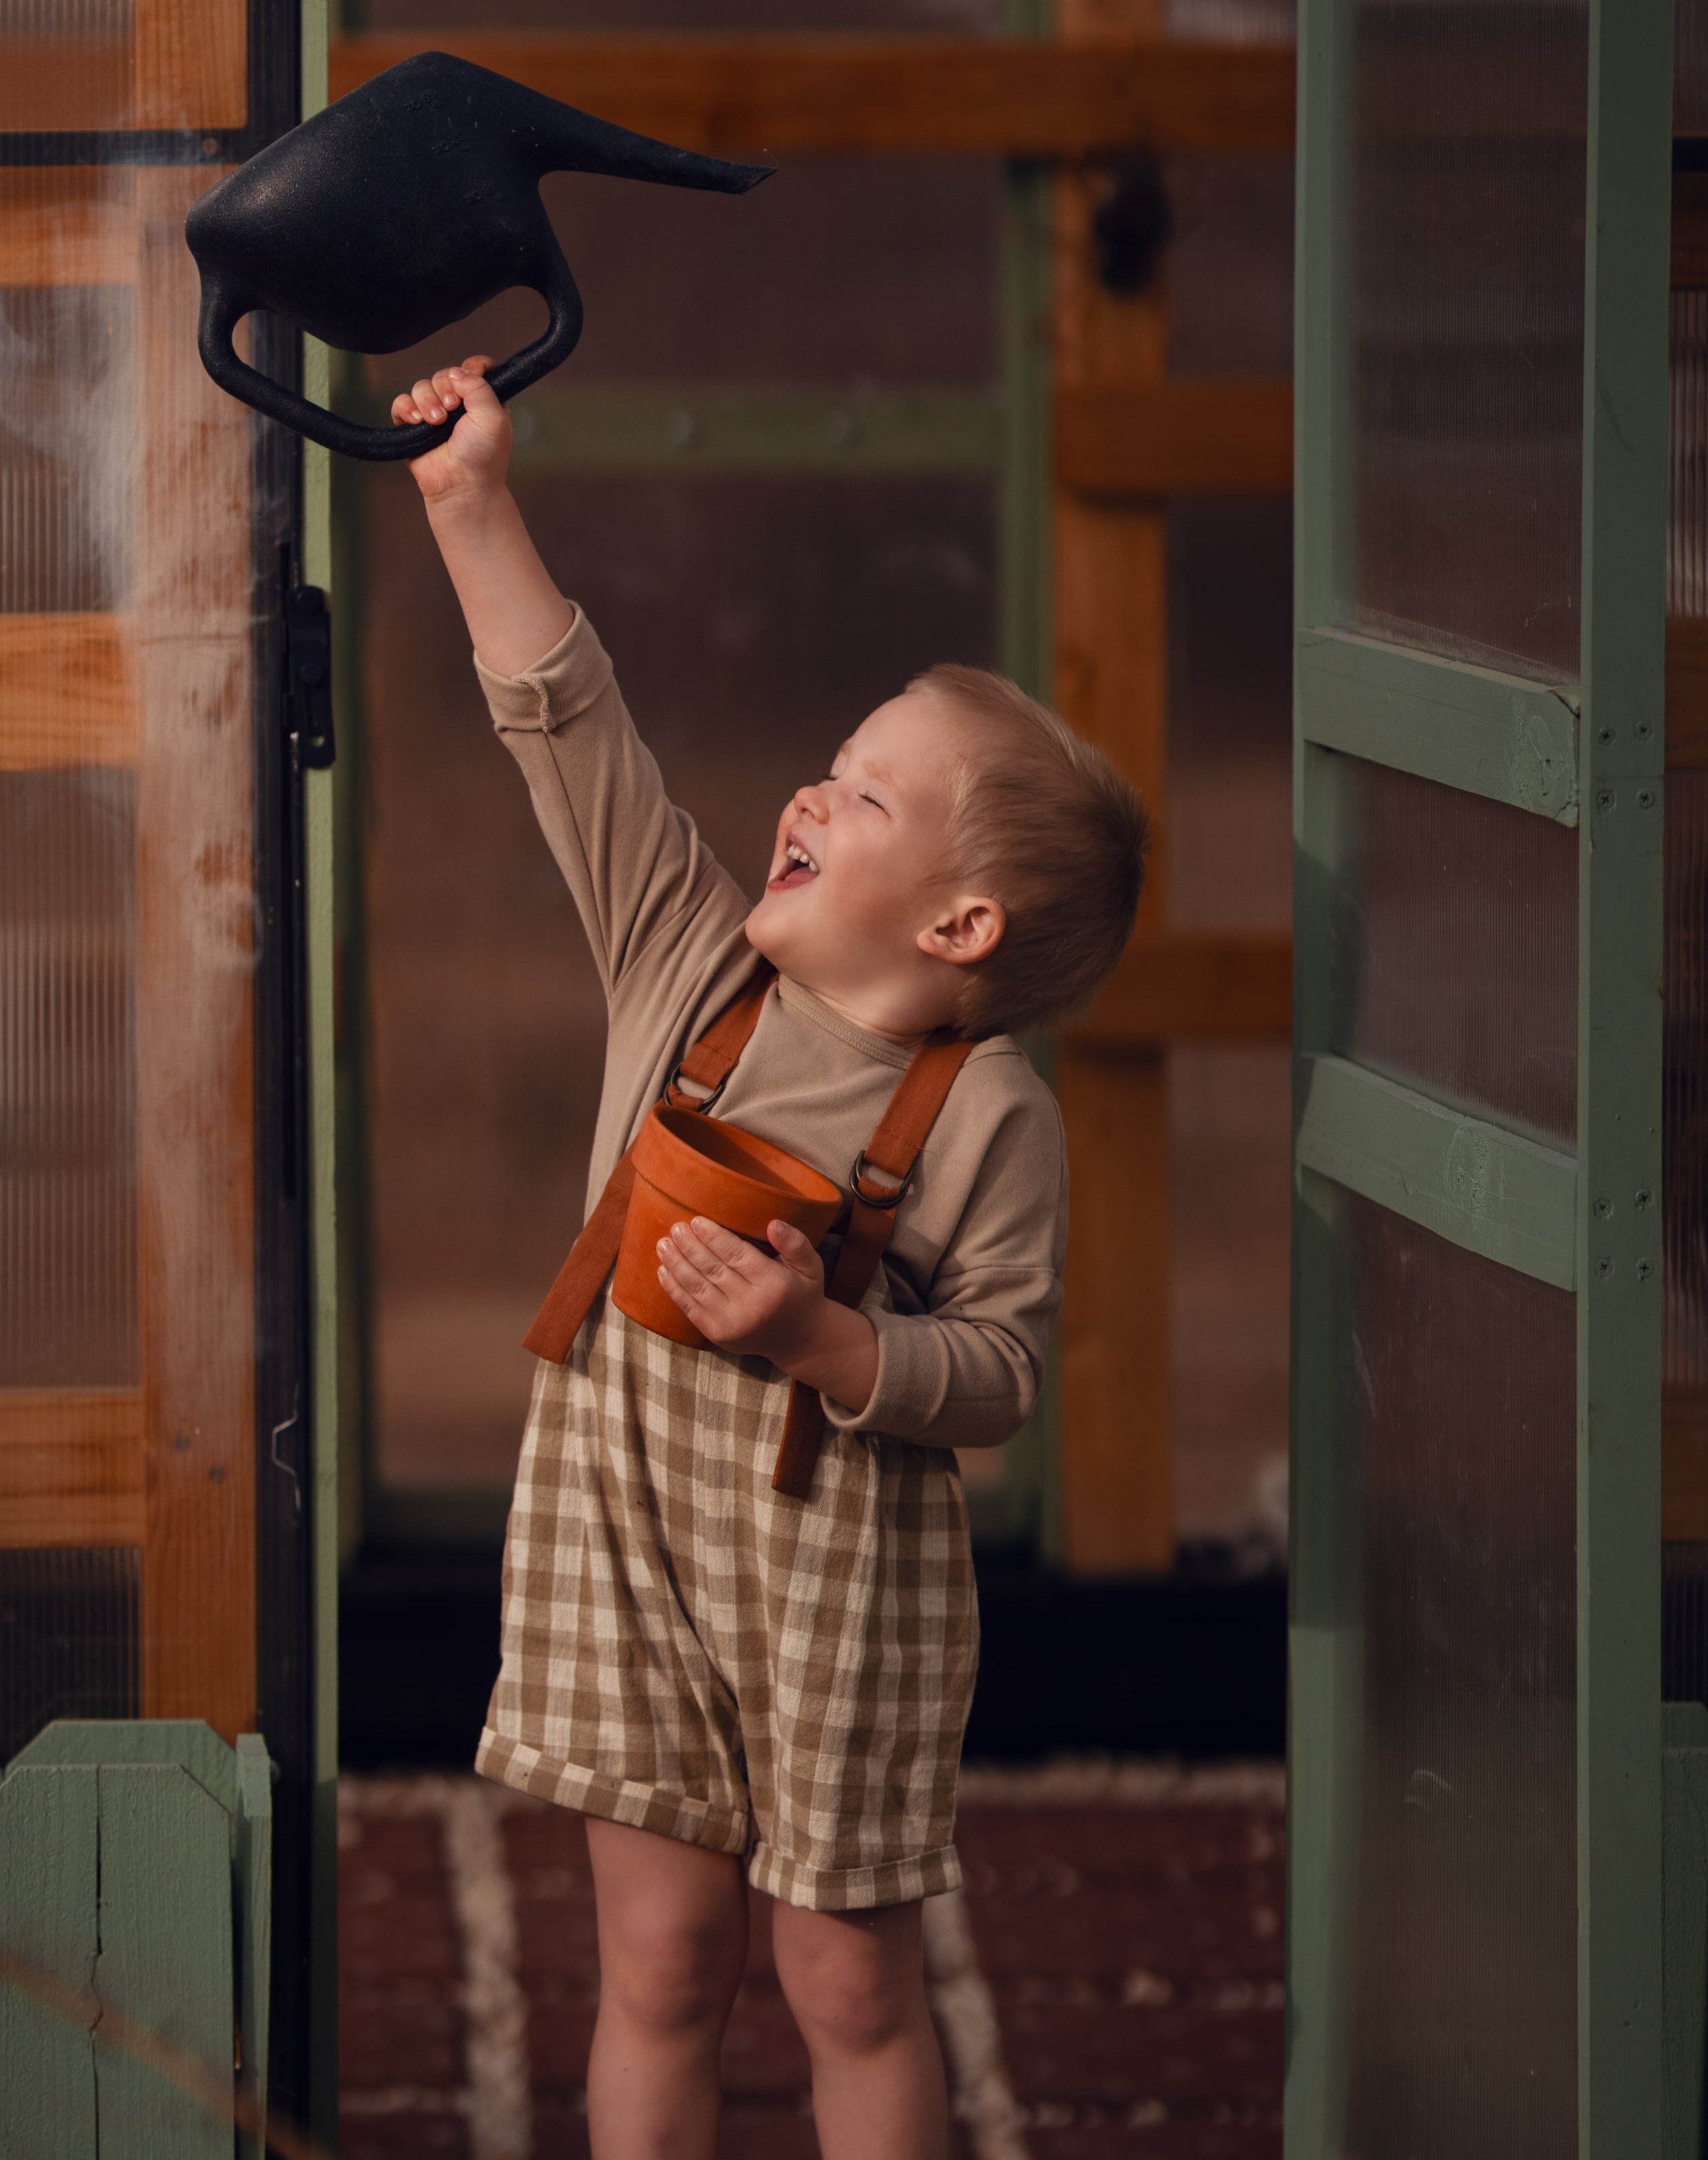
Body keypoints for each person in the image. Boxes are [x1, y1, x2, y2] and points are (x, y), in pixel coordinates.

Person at [390, 356, 1148, 2160]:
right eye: (836, 765)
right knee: (656, 1964)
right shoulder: (685, 966)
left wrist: (825, 1336)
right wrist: (467, 501)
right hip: (632, 1541)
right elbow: (568, 727)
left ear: (959, 922)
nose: (814, 792)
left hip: (838, 1595)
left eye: (872, 797)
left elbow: (1006, 1378)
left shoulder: (984, 1119)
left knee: (843, 1986)